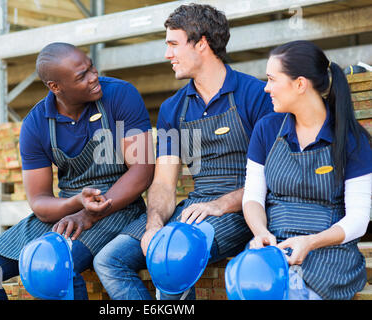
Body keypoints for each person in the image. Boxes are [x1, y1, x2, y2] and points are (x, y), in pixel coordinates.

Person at [93, 4, 274, 300]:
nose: (167, 55)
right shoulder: (173, 108)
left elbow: (273, 178)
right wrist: (154, 225)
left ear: (201, 44)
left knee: (175, 257)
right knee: (109, 259)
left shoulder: (254, 95)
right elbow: (164, 183)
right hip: (193, 209)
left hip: (242, 210)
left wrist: (220, 204)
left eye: (173, 44)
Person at [0, 43, 155, 300]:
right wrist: (75, 203)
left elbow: (142, 171)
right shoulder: (36, 124)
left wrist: (88, 214)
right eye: (81, 76)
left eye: (91, 67)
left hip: (119, 206)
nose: (93, 77)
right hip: (67, 212)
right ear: (55, 86)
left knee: (55, 266)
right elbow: (40, 202)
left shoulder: (120, 95)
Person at [242, 40, 372, 300]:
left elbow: (359, 219)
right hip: (273, 247)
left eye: (271, 79)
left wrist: (310, 242)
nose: (266, 88)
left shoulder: (352, 140)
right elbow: (252, 197)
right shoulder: (267, 129)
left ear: (300, 84)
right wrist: (261, 234)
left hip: (330, 255)